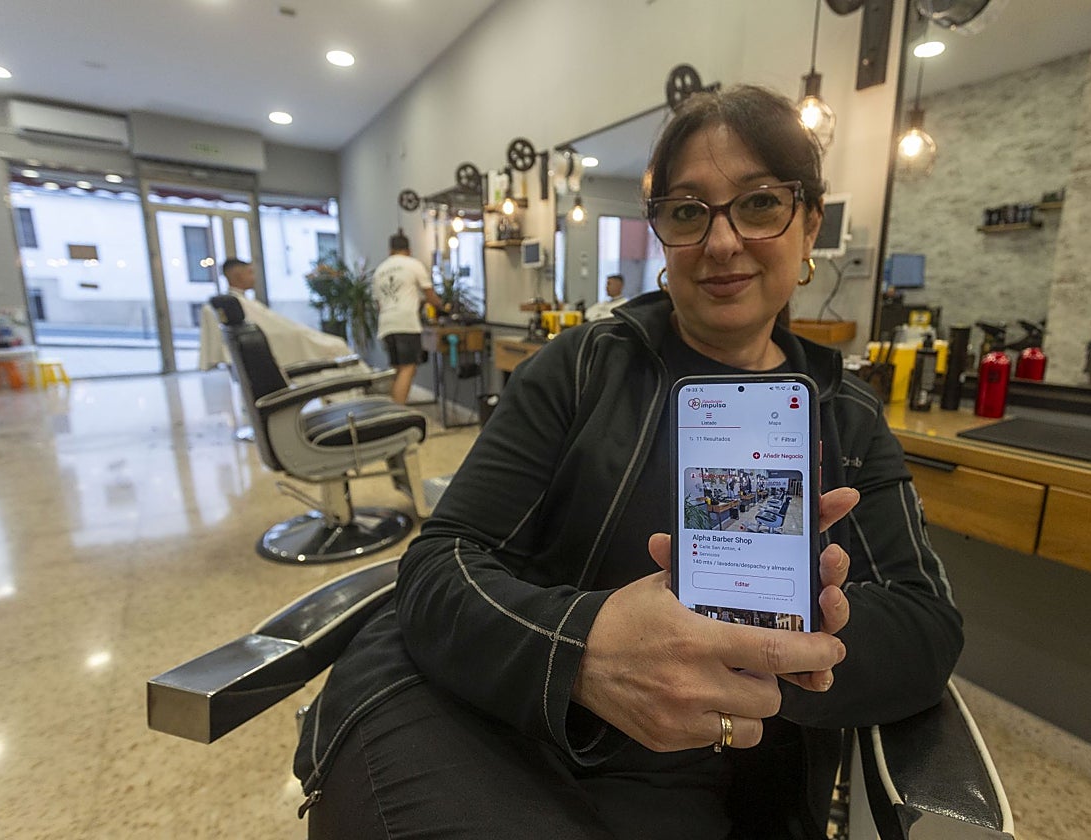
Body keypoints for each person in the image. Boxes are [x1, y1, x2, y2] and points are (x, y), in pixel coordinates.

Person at [295, 85, 962, 839]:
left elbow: (924, 627)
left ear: (810, 226)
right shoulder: (580, 367)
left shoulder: (846, 417)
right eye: (686, 211)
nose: (720, 242)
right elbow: (441, 562)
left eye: (759, 204)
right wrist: (583, 651)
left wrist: (759, 649)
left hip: (715, 777)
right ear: (662, 235)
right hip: (500, 722)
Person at [198, 257, 355, 371]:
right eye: (250, 273)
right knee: (337, 346)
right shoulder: (240, 304)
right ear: (239, 276)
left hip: (289, 340)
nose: (254, 277)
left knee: (332, 343)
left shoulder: (240, 305)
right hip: (289, 344)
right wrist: (300, 334)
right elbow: (278, 331)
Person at [371, 230, 444, 404]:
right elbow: (430, 295)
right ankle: (397, 414)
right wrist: (444, 307)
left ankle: (394, 410)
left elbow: (379, 304)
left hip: (386, 324)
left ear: (390, 250)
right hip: (405, 322)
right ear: (408, 250)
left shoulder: (380, 270)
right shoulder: (413, 264)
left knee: (398, 369)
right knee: (408, 368)